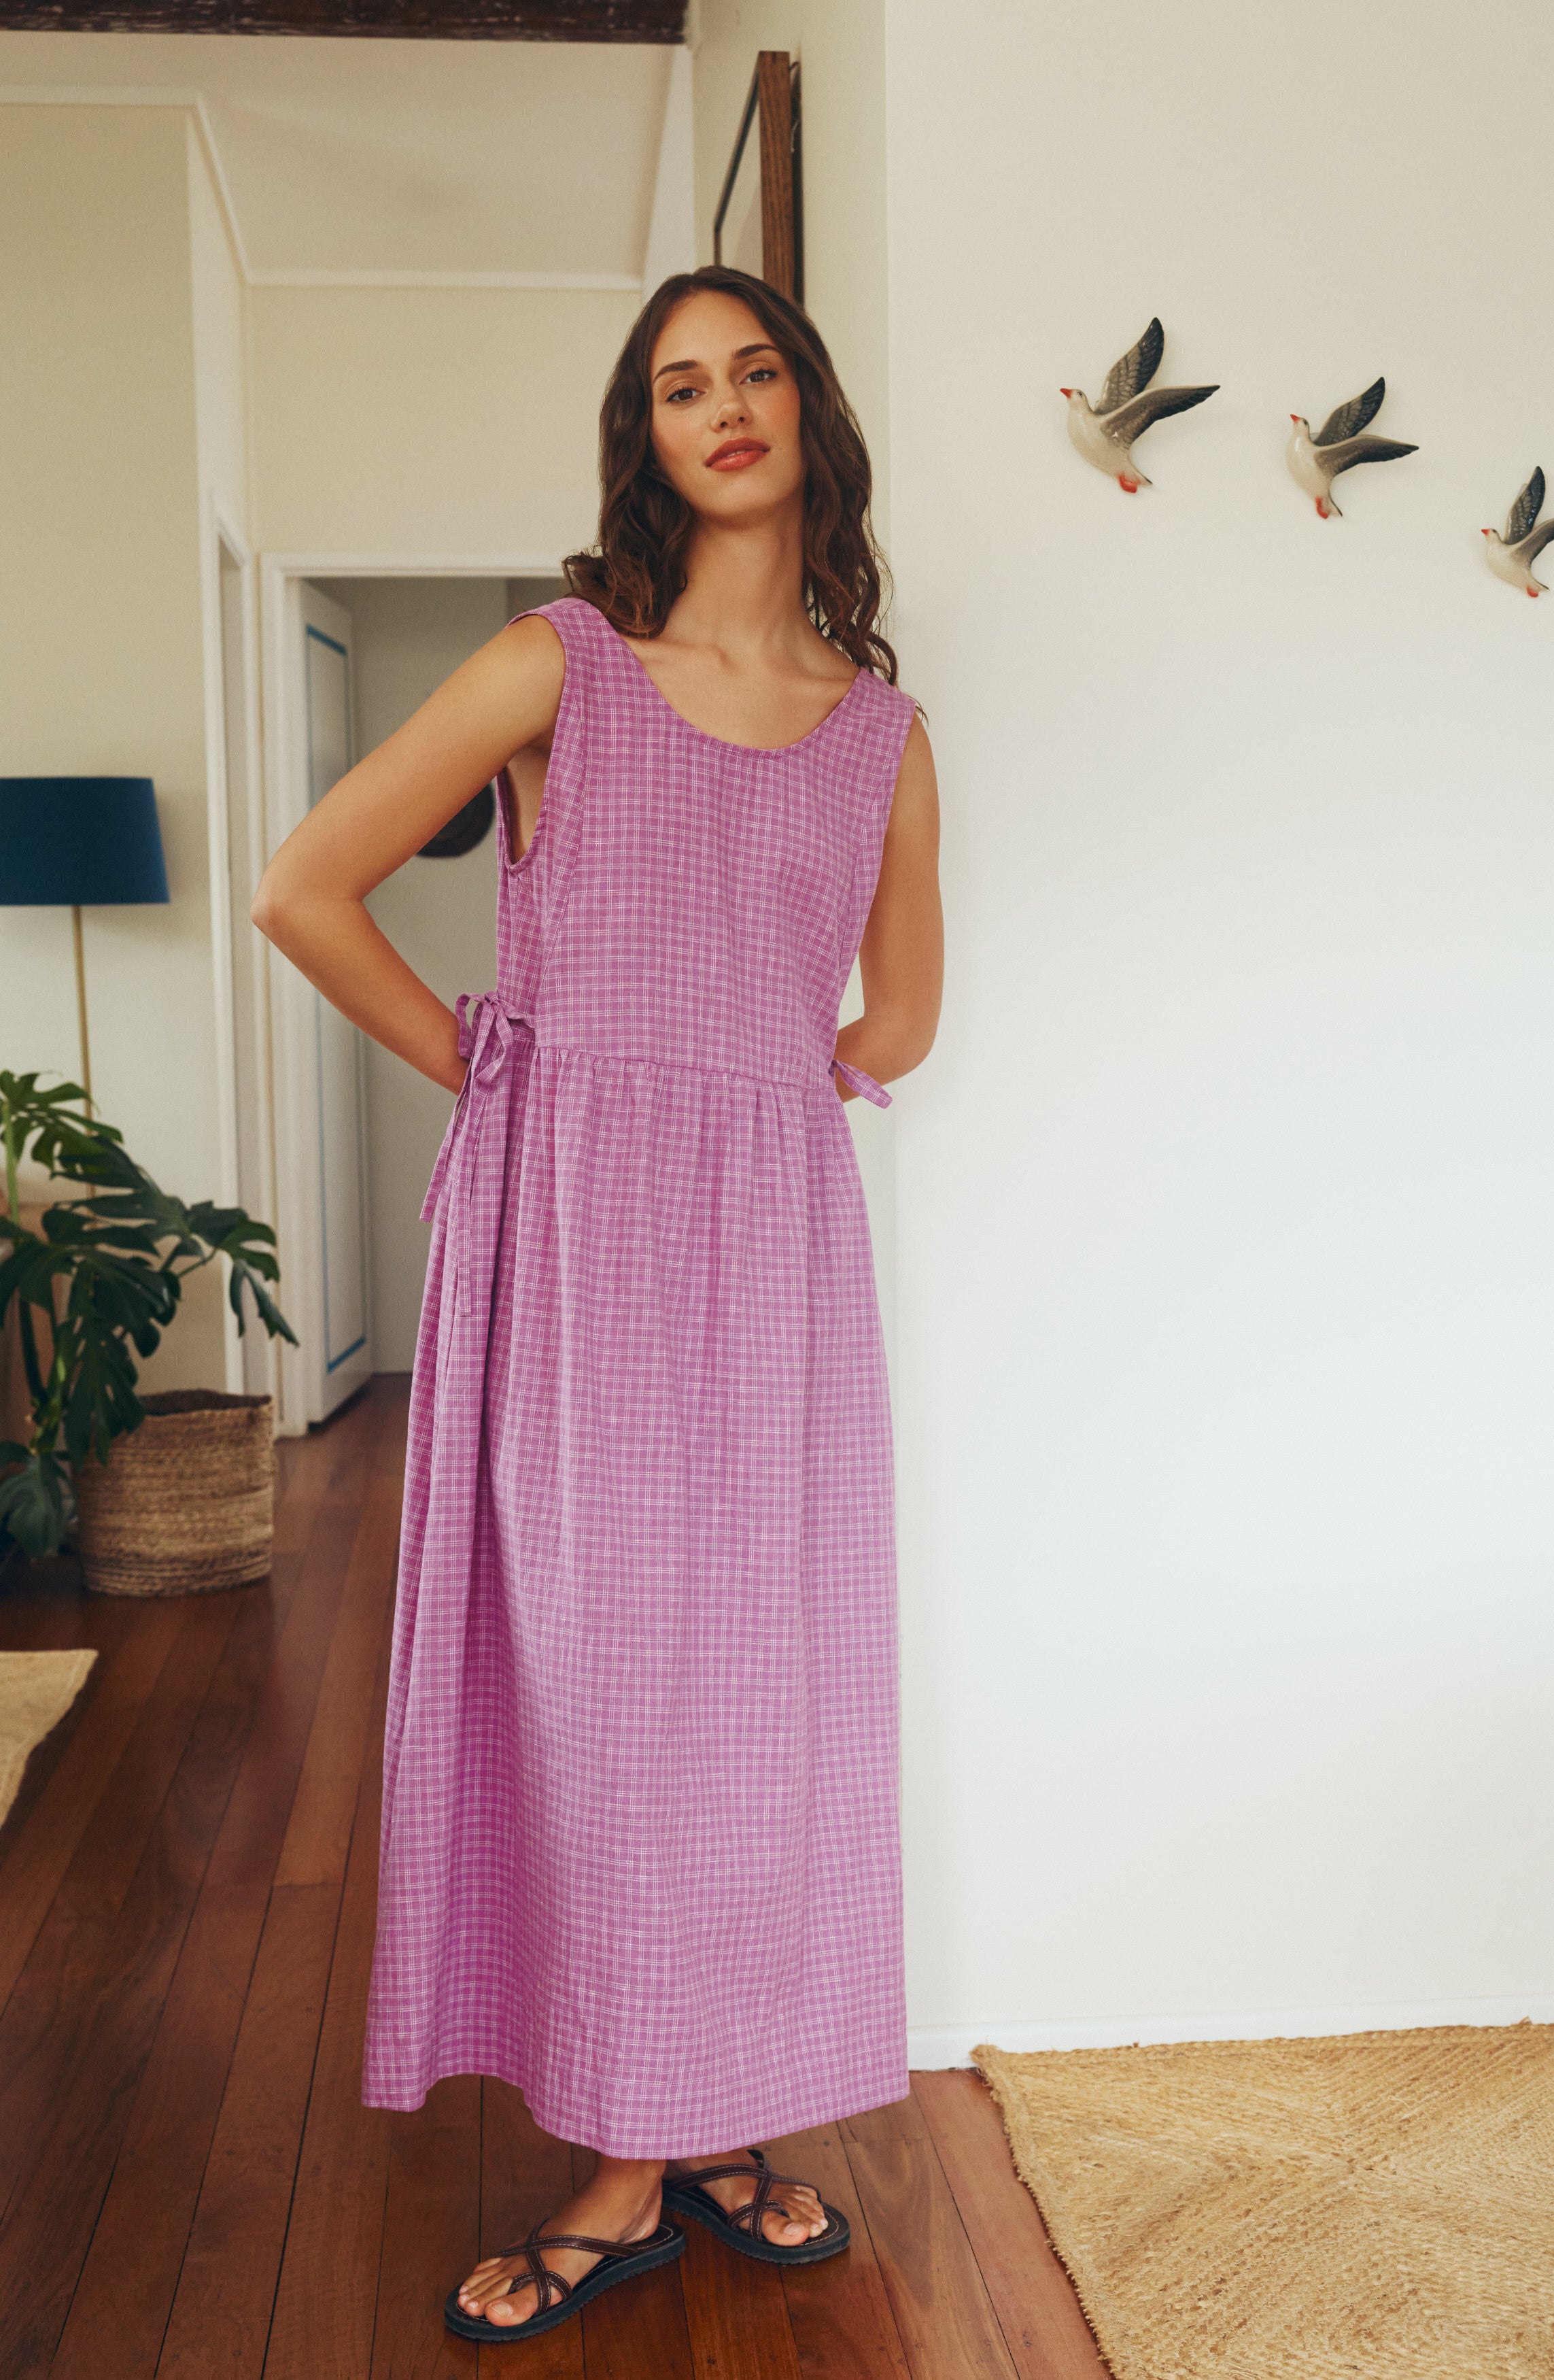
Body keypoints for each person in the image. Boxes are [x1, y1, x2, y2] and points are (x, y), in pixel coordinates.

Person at [253, 264, 943, 2344]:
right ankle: (635, 2158)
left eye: (755, 371)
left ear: (809, 411)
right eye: (677, 386)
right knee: (612, 1698)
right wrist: (499, 1065)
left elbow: (898, 1020)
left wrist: (763, 1085)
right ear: (645, 441)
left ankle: (713, 2117)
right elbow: (304, 887)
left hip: (780, 1269)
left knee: (764, 1704)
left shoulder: (885, 736)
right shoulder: (556, 667)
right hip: (578, 1250)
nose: (722, 406)